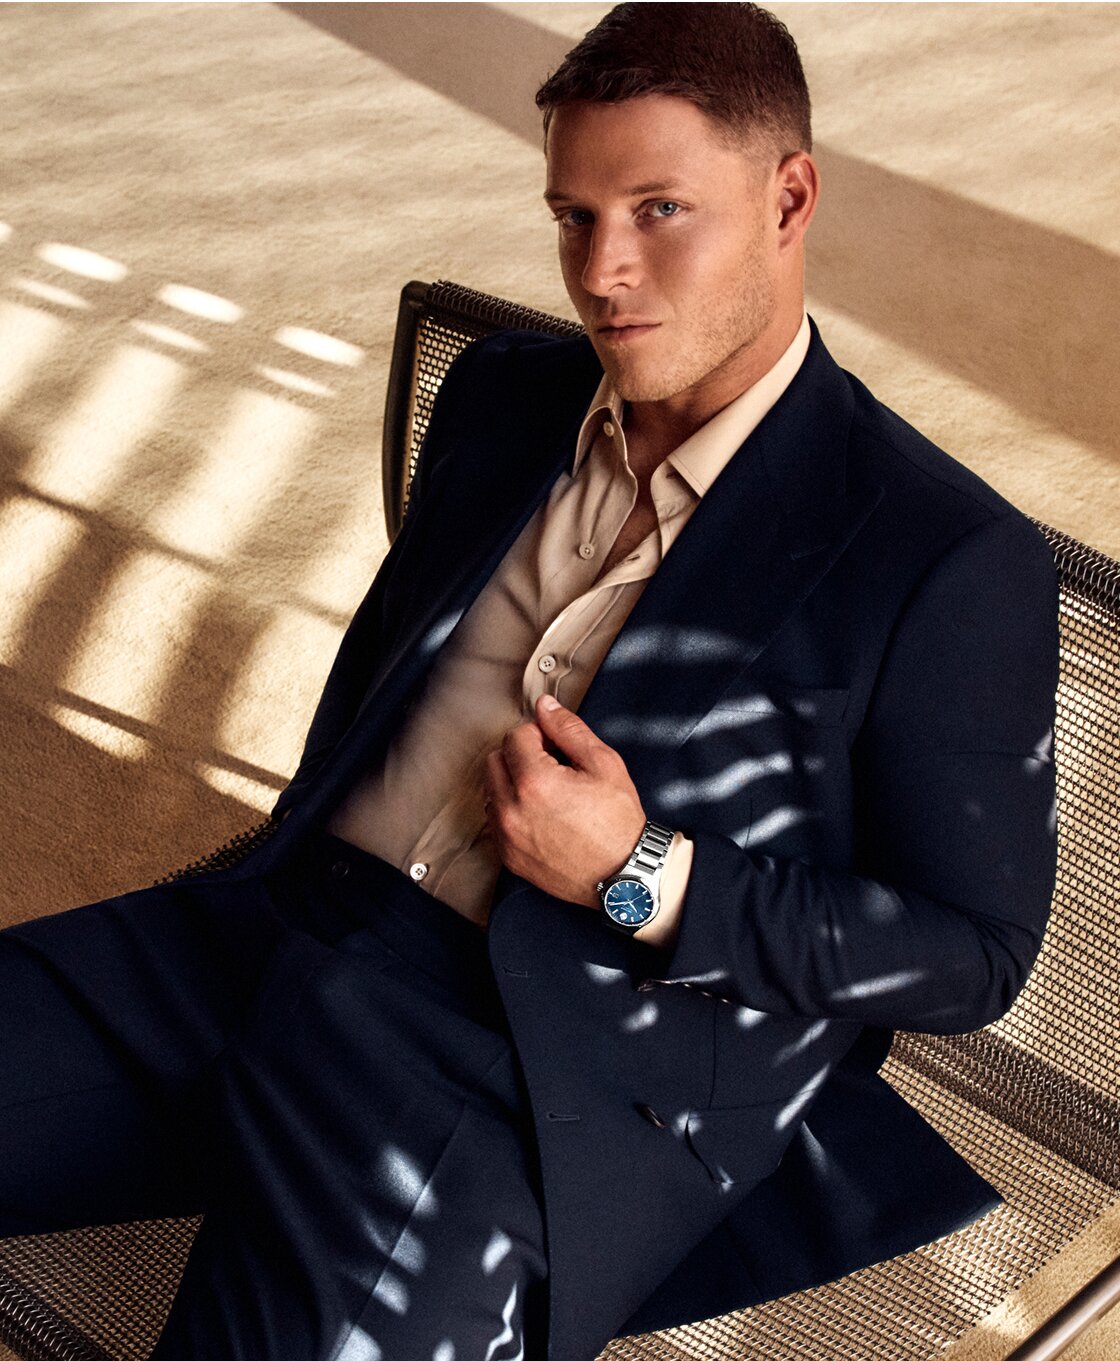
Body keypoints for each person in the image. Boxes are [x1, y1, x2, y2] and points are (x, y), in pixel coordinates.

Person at [0, 4, 1059, 1360]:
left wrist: (643, 868)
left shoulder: (939, 556)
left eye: (661, 209)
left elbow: (974, 952)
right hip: (265, 931)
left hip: (505, 1054)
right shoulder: (507, 395)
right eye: (573, 215)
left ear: (790, 196)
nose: (605, 270)